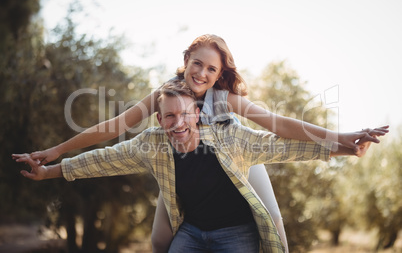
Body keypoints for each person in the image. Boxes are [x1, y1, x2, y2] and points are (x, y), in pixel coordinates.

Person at [21, 34, 385, 253]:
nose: (202, 74)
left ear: (219, 73)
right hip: (175, 160)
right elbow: (114, 129)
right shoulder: (166, 96)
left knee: (271, 217)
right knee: (160, 238)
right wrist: (58, 151)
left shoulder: (223, 99)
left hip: (237, 154)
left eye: (212, 70)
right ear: (185, 62)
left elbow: (278, 128)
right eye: (198, 65)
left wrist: (341, 139)